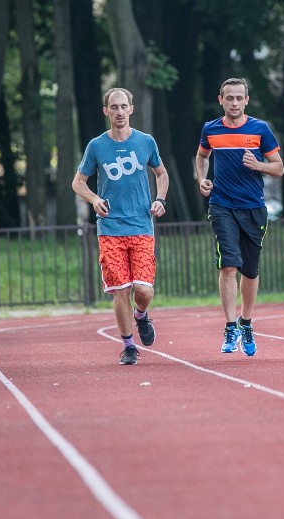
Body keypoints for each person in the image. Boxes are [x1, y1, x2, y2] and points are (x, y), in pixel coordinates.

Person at [72, 87, 169, 365]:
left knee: (144, 290)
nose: (119, 112)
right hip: (110, 228)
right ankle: (128, 346)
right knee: (120, 290)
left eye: (123, 106)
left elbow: (161, 173)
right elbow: (78, 181)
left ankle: (141, 315)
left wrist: (160, 199)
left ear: (131, 109)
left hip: (141, 225)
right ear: (106, 111)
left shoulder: (146, 142)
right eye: (113, 107)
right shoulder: (97, 146)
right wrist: (93, 198)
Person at [196, 78, 284, 356]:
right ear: (220, 99)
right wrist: (202, 178)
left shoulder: (260, 129)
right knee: (228, 266)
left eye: (239, 98)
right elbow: (202, 156)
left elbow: (279, 168)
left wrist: (257, 164)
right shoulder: (211, 129)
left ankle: (246, 322)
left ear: (246, 100)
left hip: (253, 207)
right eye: (229, 98)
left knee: (250, 271)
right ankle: (230, 325)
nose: (234, 103)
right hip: (222, 205)